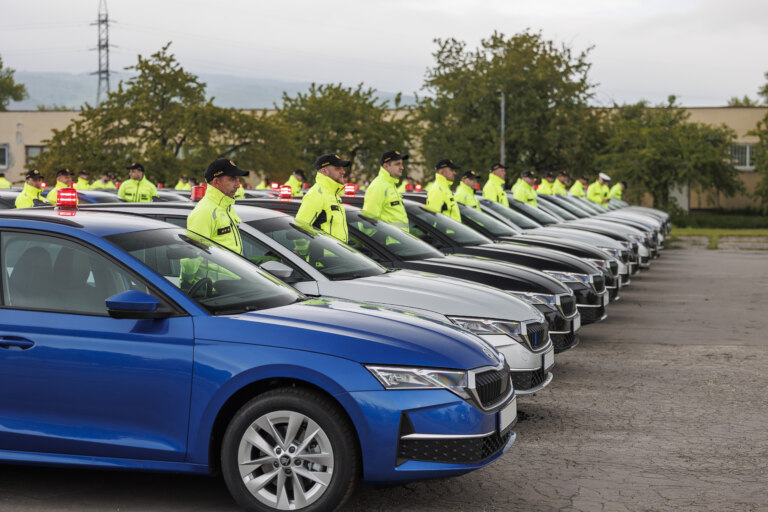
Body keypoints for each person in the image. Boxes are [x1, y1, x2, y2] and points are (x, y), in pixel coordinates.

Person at [187, 159, 249, 254]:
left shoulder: (226, 207)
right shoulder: (204, 212)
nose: (238, 185)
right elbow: (193, 257)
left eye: (238, 179)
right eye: (232, 179)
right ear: (216, 182)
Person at [295, 154, 350, 242]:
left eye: (342, 168)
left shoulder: (333, 194)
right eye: (337, 168)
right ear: (324, 171)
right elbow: (300, 232)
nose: (343, 172)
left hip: (337, 251)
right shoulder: (316, 194)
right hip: (325, 251)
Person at [362, 149, 410, 231]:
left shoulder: (390, 184)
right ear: (386, 166)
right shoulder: (379, 186)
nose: (402, 167)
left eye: (401, 164)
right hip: (390, 239)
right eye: (397, 164)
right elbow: (368, 222)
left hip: (399, 238)